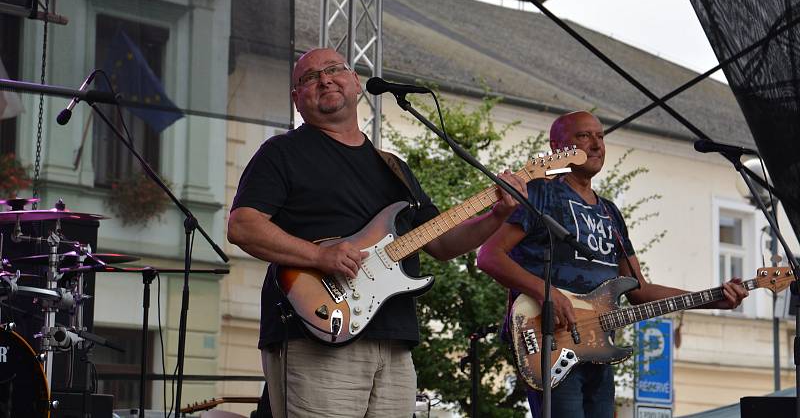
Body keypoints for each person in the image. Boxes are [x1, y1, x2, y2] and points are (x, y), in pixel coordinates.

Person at [227, 47, 526, 417]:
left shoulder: (393, 168)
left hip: (393, 337)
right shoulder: (281, 153)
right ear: (296, 99)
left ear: (355, 83)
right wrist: (320, 256)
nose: (324, 79)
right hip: (315, 330)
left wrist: (496, 216)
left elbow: (442, 243)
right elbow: (243, 226)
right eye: (309, 77)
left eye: (334, 69)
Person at [476, 110, 748, 418]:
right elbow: (489, 257)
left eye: (601, 137)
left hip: (598, 349)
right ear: (557, 147)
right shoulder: (540, 194)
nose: (596, 144)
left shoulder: (610, 213)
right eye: (584, 136)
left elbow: (639, 290)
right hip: (548, 340)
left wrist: (714, 298)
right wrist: (547, 293)